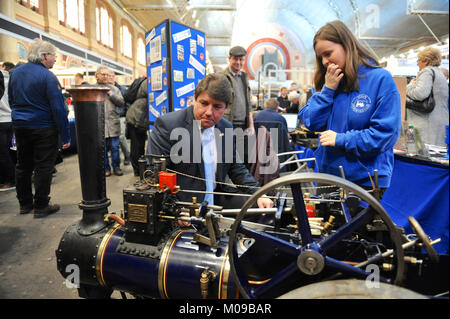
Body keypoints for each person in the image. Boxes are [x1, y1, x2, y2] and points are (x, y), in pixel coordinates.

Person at [298, 20, 401, 195]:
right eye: (320, 57)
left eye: (328, 53)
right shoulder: (330, 83)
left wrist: (342, 139)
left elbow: (385, 134)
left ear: (346, 45)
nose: (324, 61)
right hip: (328, 177)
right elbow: (311, 122)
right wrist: (327, 90)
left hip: (365, 180)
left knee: (356, 224)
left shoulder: (380, 80)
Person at [148, 73, 273, 209]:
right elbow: (154, 176)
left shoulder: (226, 127)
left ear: (226, 108)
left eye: (217, 107)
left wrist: (259, 193)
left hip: (216, 200)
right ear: (194, 99)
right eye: (204, 103)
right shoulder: (168, 125)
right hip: (182, 204)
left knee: (265, 212)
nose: (209, 112)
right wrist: (175, 209)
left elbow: (235, 168)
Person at [8, 38, 70, 217]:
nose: (55, 59)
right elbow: (58, 109)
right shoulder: (48, 77)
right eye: (54, 56)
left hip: (20, 126)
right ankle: (41, 206)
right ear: (45, 56)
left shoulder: (16, 73)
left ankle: (25, 204)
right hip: (43, 128)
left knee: (23, 165)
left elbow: (12, 100)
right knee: (44, 166)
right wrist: (65, 136)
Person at [406, 47, 449, 147]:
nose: (417, 64)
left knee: (419, 154)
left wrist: (408, 87)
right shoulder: (440, 74)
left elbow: (420, 94)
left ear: (425, 61)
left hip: (425, 124)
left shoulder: (426, 71)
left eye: (418, 60)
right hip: (437, 123)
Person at [221, 46, 255, 167]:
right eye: (236, 59)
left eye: (241, 60)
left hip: (244, 125)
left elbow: (248, 103)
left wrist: (251, 125)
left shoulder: (245, 77)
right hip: (228, 124)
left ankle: (241, 185)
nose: (238, 63)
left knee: (242, 159)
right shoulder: (222, 77)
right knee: (226, 158)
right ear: (229, 59)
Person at [95, 66, 125, 176]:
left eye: (107, 74)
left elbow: (121, 103)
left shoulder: (114, 89)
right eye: (103, 74)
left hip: (113, 124)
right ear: (96, 75)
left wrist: (111, 94)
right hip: (99, 125)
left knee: (115, 148)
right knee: (102, 150)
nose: (105, 76)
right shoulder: (93, 90)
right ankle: (106, 169)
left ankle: (116, 167)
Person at [107, 69, 130, 166]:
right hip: (109, 118)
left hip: (120, 116)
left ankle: (127, 155)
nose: (110, 77)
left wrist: (127, 116)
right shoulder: (104, 89)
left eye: (112, 76)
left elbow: (126, 102)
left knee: (121, 137)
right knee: (112, 142)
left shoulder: (121, 89)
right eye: (108, 76)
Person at [125, 76, 148, 176]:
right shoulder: (147, 83)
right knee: (137, 146)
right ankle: (138, 170)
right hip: (136, 118)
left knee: (138, 145)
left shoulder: (144, 83)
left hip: (136, 117)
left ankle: (139, 168)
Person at [0, 68, 15, 191]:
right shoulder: (10, 80)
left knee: (3, 153)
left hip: (1, 120)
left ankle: (10, 180)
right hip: (10, 119)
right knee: (9, 151)